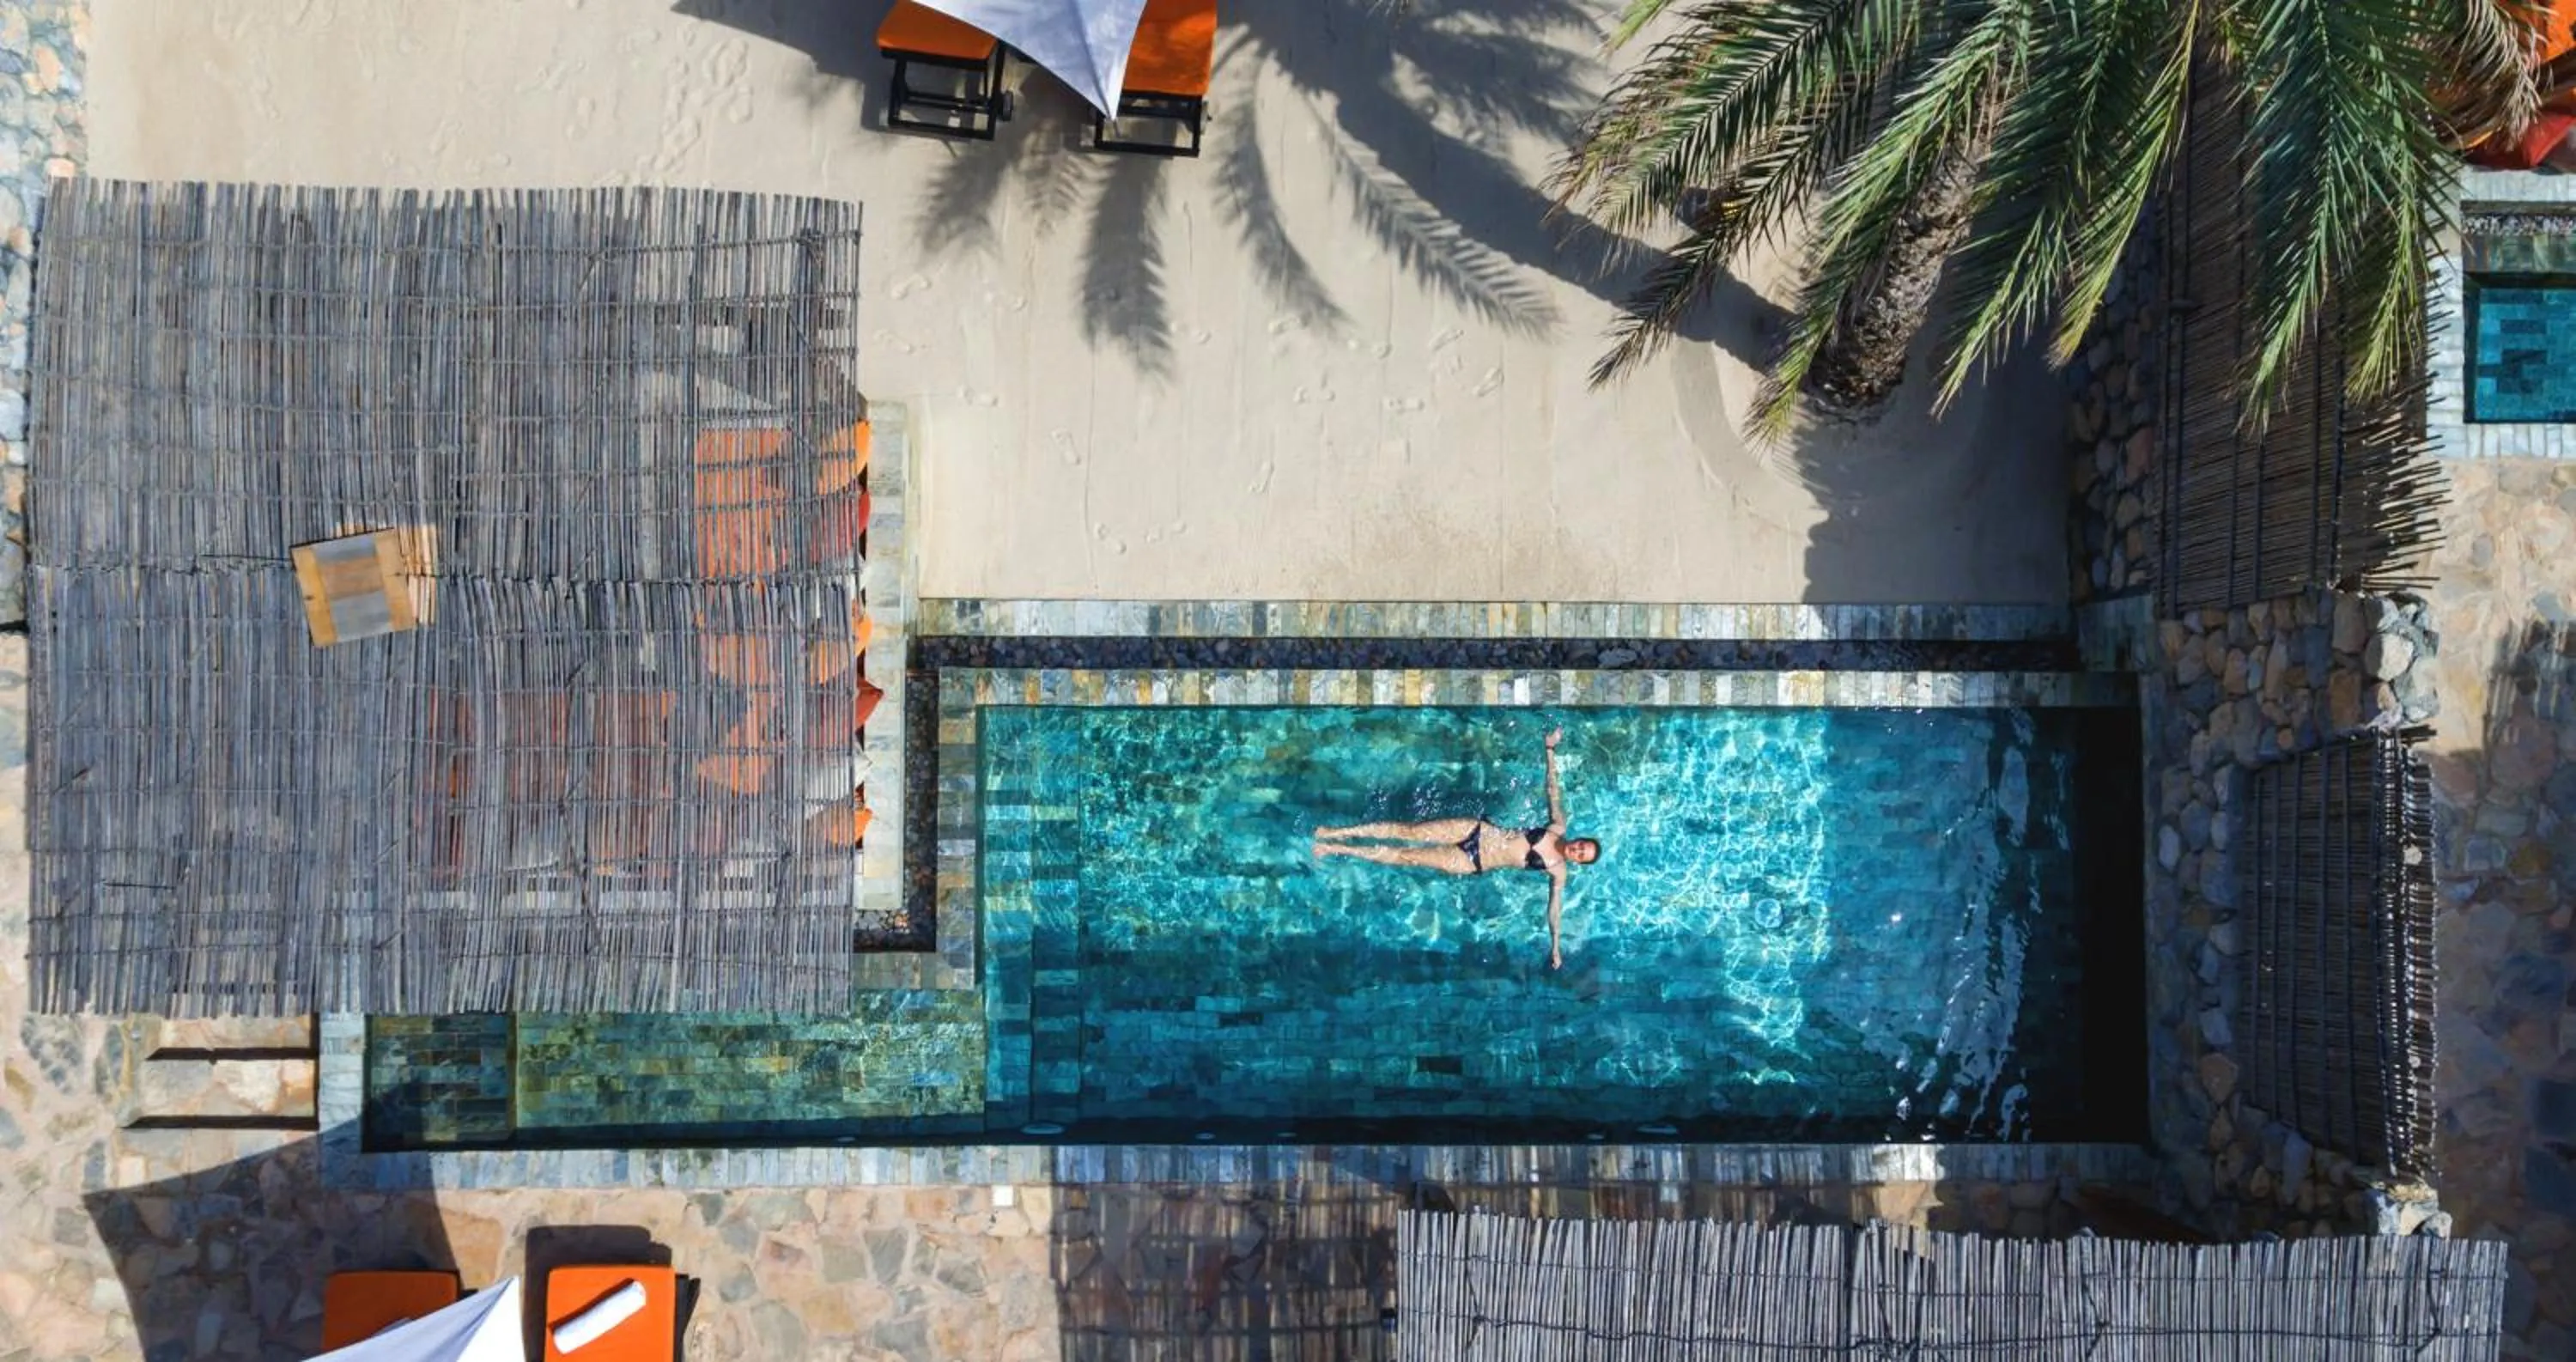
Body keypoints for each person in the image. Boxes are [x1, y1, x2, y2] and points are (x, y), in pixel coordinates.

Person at [1313, 727, 1601, 969]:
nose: (1577, 851)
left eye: (1581, 855)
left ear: (1578, 862)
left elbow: (1554, 909)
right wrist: (1549, 749)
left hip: (1471, 861)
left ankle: (1337, 849)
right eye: (1581, 846)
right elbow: (1552, 790)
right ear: (1579, 839)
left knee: (1407, 857)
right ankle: (1338, 833)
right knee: (1409, 831)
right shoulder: (1557, 827)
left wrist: (1555, 944)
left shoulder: (1558, 871)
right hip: (1476, 830)